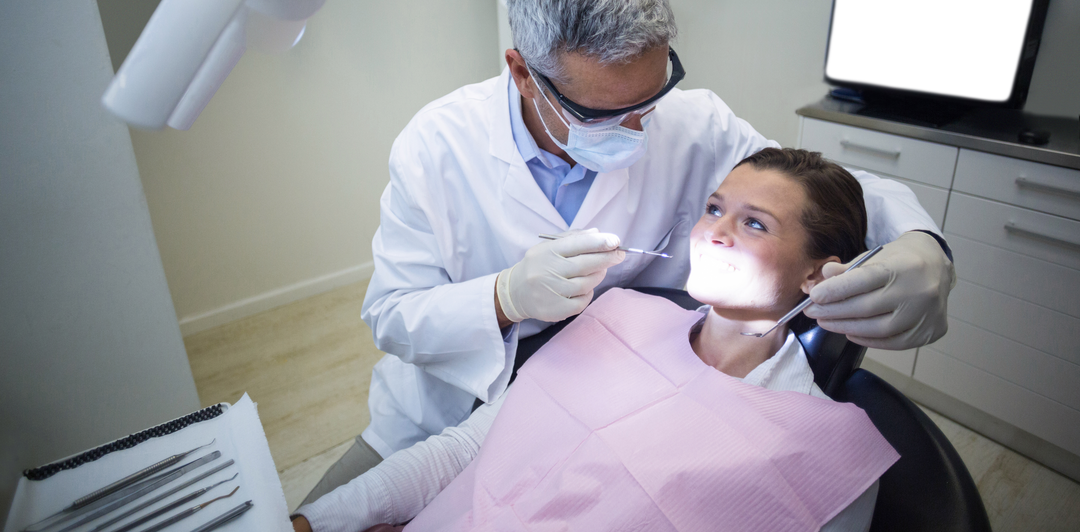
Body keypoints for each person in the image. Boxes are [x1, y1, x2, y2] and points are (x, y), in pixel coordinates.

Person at [301, 0, 954, 505]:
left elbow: (820, 186)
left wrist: (922, 243)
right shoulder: (436, 145)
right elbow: (391, 316)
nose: (639, 126)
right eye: (602, 113)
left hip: (612, 411)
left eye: (651, 94)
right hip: (448, 413)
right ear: (524, 74)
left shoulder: (695, 126)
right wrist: (503, 298)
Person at [292, 148, 900, 531]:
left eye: (754, 223)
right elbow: (459, 453)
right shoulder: (622, 317)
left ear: (818, 273)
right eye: (714, 208)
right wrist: (316, 520)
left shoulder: (827, 453)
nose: (714, 232)